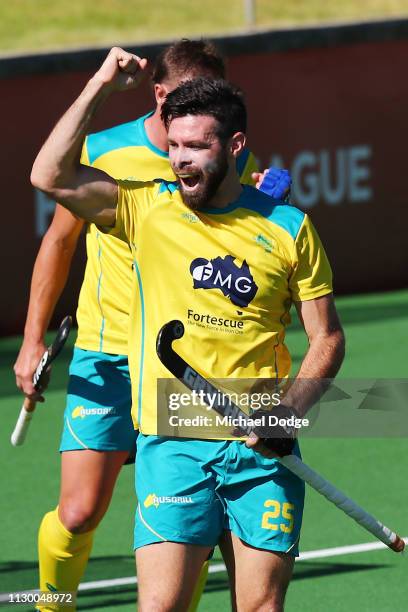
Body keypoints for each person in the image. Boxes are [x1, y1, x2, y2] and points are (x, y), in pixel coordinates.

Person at [31, 47, 345, 611]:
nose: (179, 160)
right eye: (173, 145)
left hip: (260, 444)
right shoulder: (147, 210)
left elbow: (328, 338)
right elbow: (47, 174)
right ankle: (50, 601)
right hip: (172, 441)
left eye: (196, 146)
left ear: (235, 146)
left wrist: (290, 408)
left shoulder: (289, 229)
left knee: (260, 607)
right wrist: (101, 85)